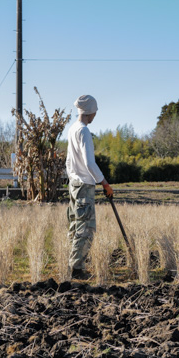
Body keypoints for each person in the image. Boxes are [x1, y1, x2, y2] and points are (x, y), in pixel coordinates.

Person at [65, 94, 112, 280]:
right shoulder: (84, 131)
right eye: (95, 112)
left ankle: (74, 264)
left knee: (75, 225)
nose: (95, 115)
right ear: (90, 112)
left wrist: (72, 178)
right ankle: (76, 269)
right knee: (86, 228)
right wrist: (105, 183)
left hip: (74, 184)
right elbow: (89, 163)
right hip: (84, 185)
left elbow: (69, 161)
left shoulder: (72, 129)